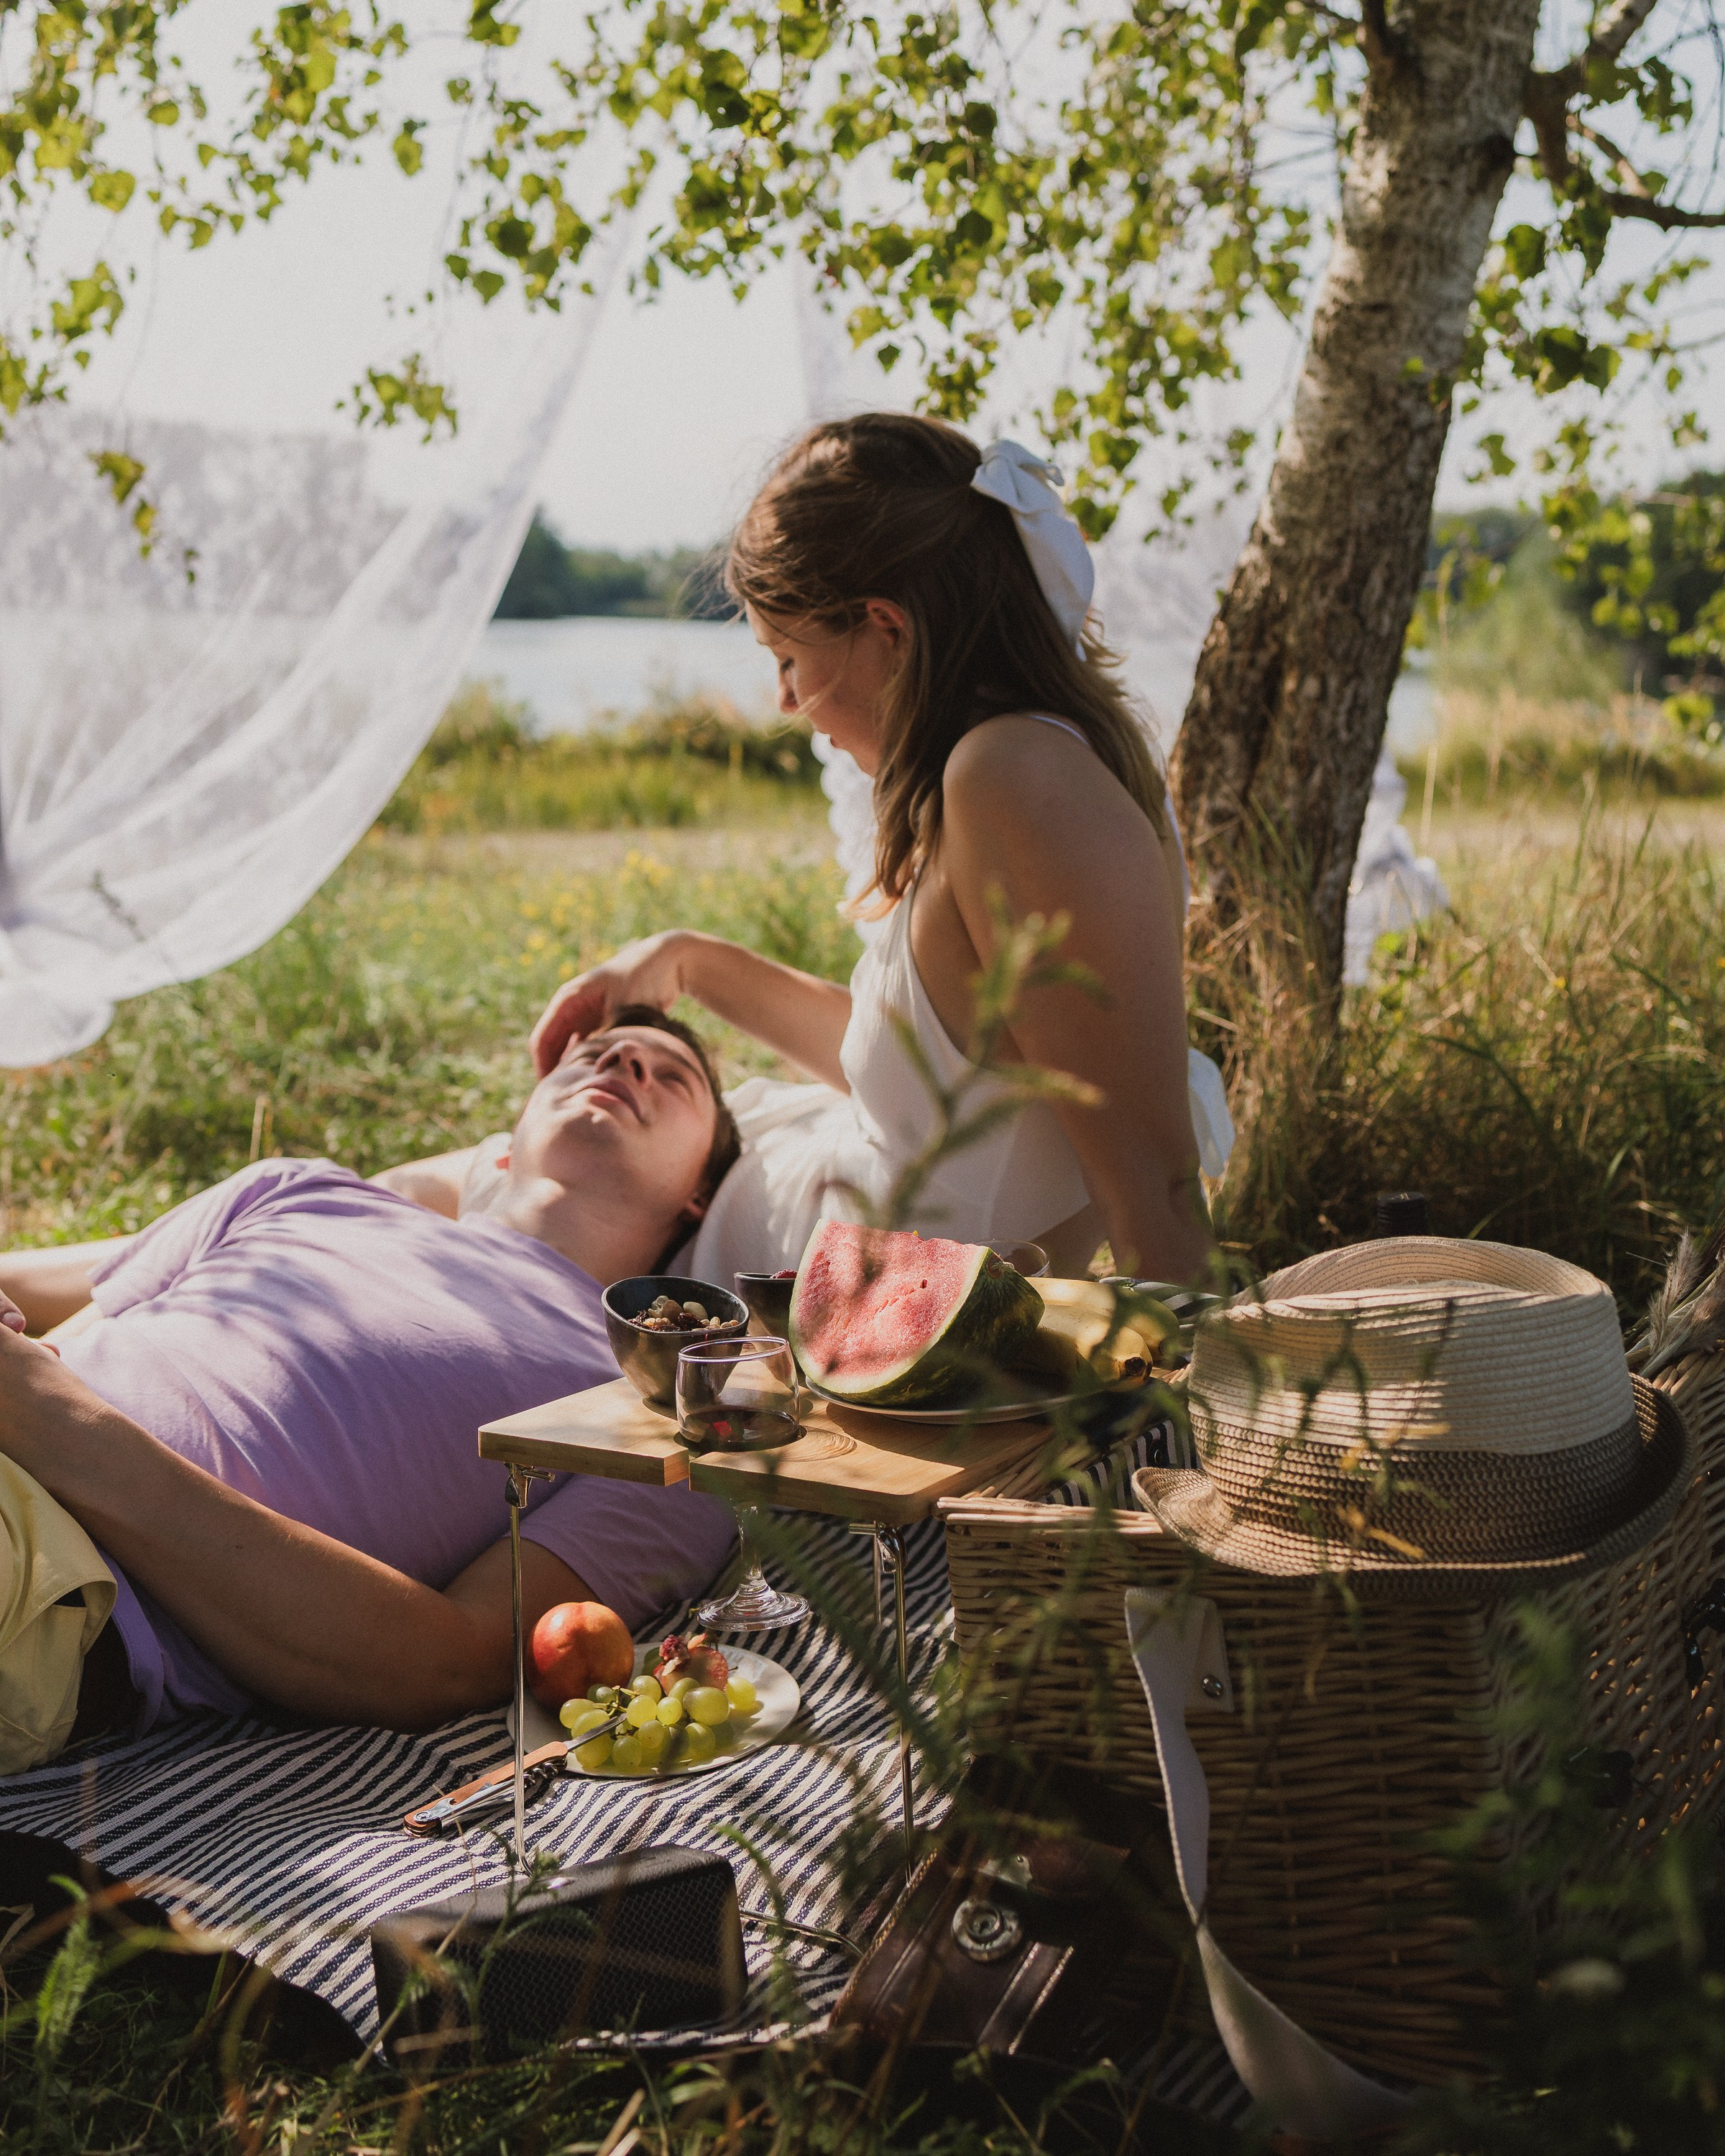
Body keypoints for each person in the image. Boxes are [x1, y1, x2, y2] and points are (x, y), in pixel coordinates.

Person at [525, 415, 1233, 1286]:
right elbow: (943, 1087)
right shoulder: (1012, 771)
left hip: (892, 1339)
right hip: (783, 1233)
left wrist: (1195, 1407)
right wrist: (685, 962)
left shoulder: (1017, 781)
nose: (786, 700)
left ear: (885, 628)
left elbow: (1154, 1191)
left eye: (788, 656)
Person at [0, 1010, 741, 1777]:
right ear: (506, 1142)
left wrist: (58, 1425)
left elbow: (448, 1666)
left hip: (57, 1576)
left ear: (701, 1195)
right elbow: (55, 1309)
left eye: (672, 1075)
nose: (624, 1062)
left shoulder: (657, 1415)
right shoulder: (297, 1189)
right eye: (594, 1052)